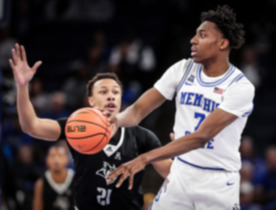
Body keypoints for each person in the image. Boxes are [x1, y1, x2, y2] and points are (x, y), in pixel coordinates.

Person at [106, 5, 255, 210]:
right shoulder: (182, 69)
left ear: (222, 43)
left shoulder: (240, 87)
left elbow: (201, 137)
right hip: (181, 174)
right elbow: (138, 110)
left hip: (217, 181)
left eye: (202, 35)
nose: (193, 40)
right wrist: (114, 121)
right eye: (194, 34)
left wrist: (145, 158)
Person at [8, 44, 172, 210]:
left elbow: (170, 173)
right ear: (91, 100)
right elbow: (31, 126)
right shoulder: (75, 127)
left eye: (116, 92)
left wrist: (186, 152)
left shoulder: (141, 136)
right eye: (103, 92)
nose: (111, 96)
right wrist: (22, 87)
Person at [33, 144, 75, 210]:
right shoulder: (40, 183)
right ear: (47, 160)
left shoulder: (76, 180)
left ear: (67, 159)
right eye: (52, 156)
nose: (56, 160)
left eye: (60, 156)